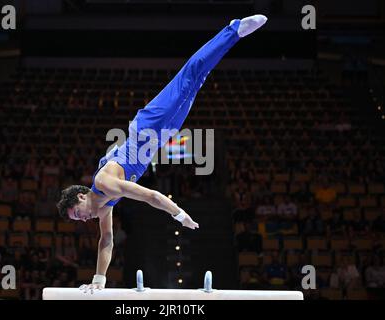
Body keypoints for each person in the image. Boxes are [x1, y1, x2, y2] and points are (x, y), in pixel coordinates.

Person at [56, 15, 268, 292]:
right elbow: (106, 241)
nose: (82, 219)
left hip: (147, 126)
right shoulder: (105, 204)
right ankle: (231, 34)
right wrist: (98, 281)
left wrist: (179, 215)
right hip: (159, 138)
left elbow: (151, 196)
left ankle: (234, 29)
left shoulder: (104, 185)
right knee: (196, 80)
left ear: (82, 196)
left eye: (77, 213)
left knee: (191, 74)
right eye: (77, 219)